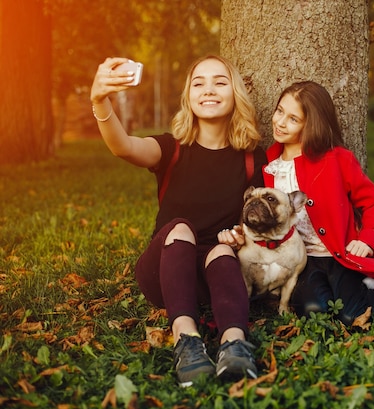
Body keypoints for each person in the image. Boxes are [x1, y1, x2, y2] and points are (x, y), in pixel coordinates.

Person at [90, 54, 267, 387]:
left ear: (235, 94)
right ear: (189, 97)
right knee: (181, 227)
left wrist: (242, 234)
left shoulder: (251, 158)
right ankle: (187, 341)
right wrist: (100, 101)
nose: (209, 90)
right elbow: (123, 147)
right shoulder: (171, 149)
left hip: (215, 277)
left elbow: (259, 220)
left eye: (220, 81)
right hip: (164, 270)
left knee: (223, 251)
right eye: (198, 83)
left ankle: (234, 344)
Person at [262, 81, 374, 326]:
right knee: (314, 312)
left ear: (311, 124)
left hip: (341, 253)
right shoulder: (269, 166)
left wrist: (368, 239)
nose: (281, 122)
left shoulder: (337, 160)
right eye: (279, 111)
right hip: (302, 260)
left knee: (354, 315)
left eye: (293, 119)